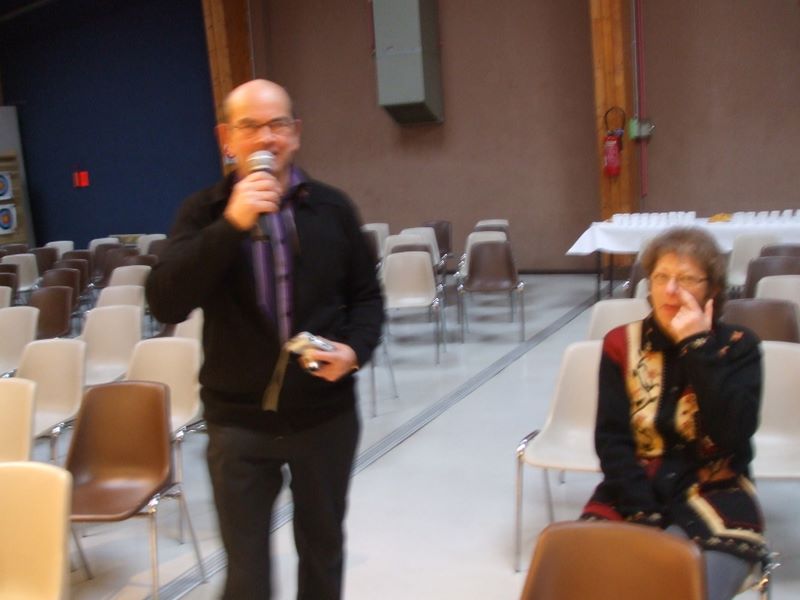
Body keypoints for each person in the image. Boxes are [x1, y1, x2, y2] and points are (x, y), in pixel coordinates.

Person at [146, 79, 384, 599]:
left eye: (277, 124)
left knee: (323, 552)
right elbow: (165, 303)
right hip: (238, 425)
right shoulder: (204, 213)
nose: (266, 137)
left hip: (324, 417)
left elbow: (368, 299)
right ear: (227, 139)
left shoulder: (333, 209)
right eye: (250, 126)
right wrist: (232, 224)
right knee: (246, 571)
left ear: (295, 133)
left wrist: (354, 351)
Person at [580, 227, 767, 600]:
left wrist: (696, 346)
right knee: (592, 581)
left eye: (686, 279)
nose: (670, 290)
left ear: (712, 289)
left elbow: (733, 435)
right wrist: (643, 512)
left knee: (691, 588)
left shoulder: (738, 347)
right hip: (633, 487)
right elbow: (611, 439)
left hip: (716, 490)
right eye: (660, 277)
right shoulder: (620, 344)